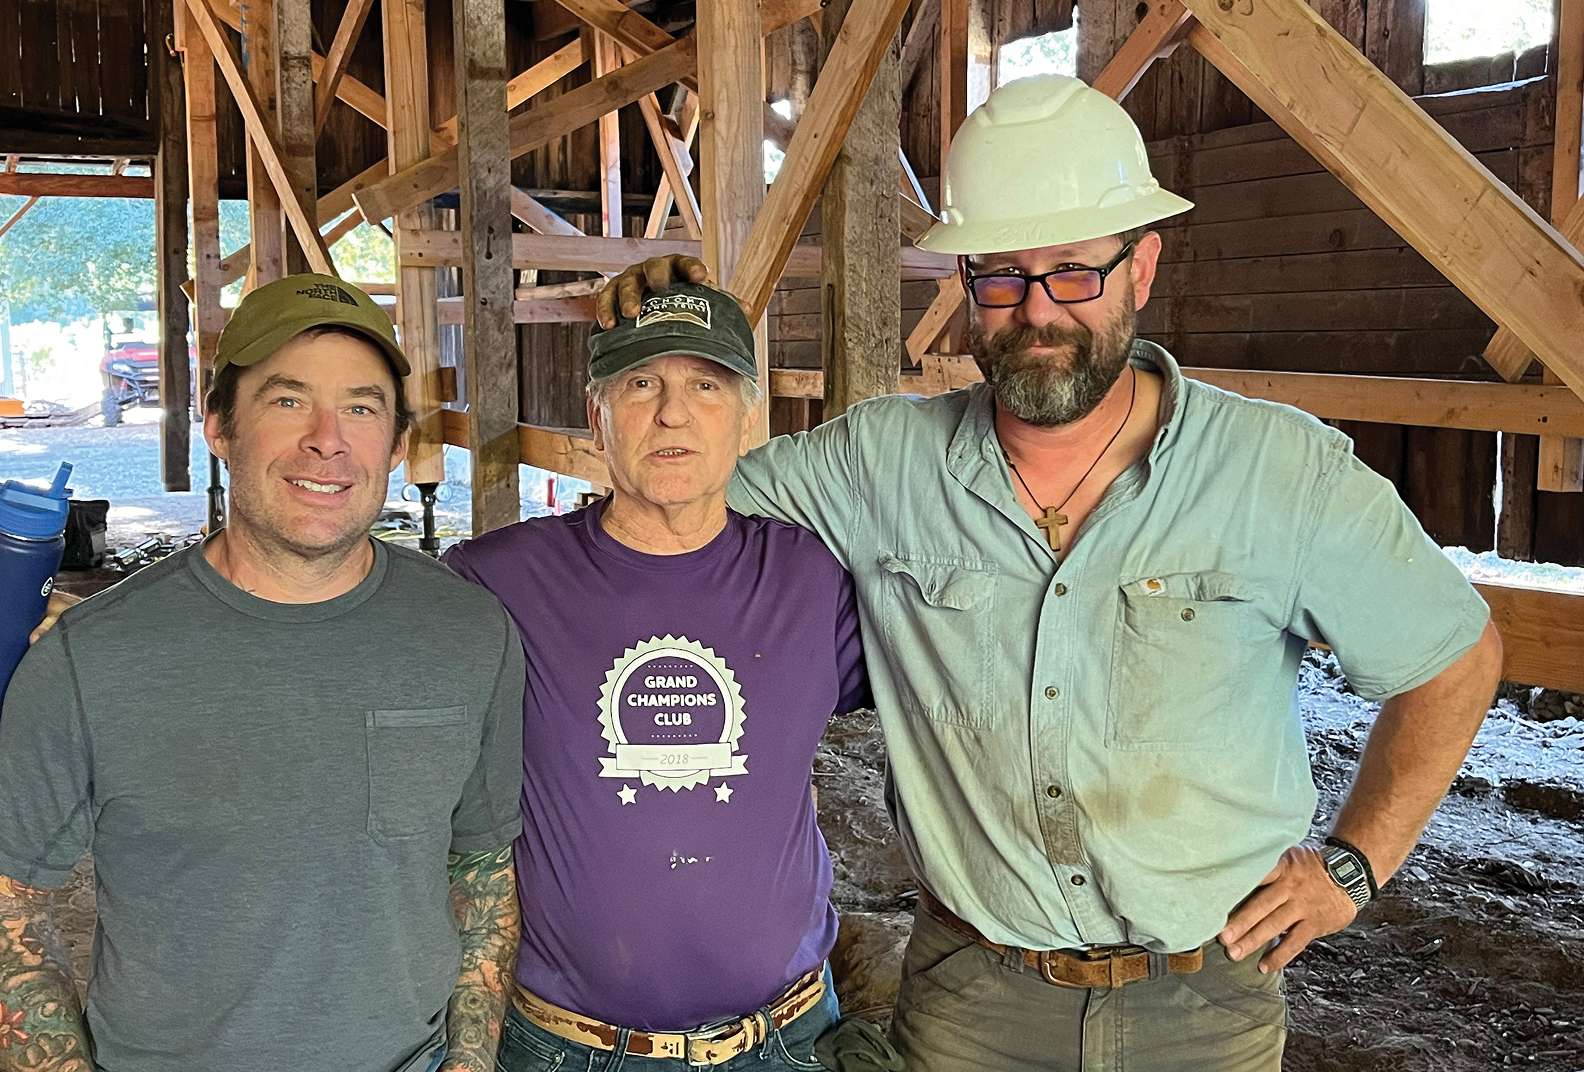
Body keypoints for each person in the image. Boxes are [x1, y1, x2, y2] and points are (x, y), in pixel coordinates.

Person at [594, 74, 1504, 1071]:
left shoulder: (1280, 474)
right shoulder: (878, 466)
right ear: (967, 281)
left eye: (1073, 272)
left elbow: (1452, 661)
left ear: (1142, 266)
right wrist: (679, 343)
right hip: (971, 994)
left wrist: (1354, 865)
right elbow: (680, 503)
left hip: (1204, 1001)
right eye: (1002, 277)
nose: (1037, 312)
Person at [0, 274, 525, 1072]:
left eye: (361, 406)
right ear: (217, 424)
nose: (327, 438)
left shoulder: (469, 635)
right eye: (287, 401)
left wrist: (470, 1060)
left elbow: (483, 874)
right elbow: (13, 911)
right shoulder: (89, 659)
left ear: (397, 442)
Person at [441, 281, 868, 1072]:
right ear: (596, 412)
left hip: (786, 1039)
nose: (674, 413)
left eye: (706, 385)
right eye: (642, 384)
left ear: (747, 415)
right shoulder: (496, 584)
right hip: (572, 1048)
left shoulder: (811, 577)